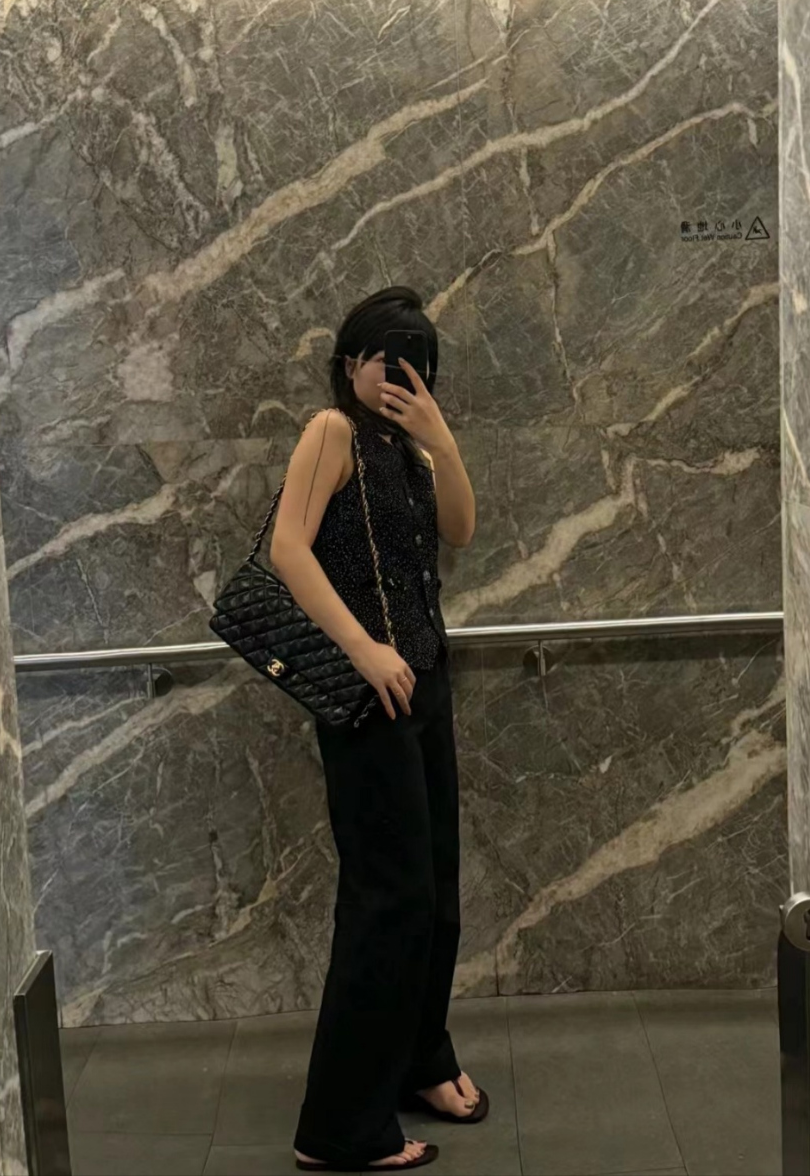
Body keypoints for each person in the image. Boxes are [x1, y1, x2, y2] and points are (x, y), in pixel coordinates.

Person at [269, 286, 483, 1172]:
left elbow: (461, 531)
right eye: (385, 361)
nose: (399, 378)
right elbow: (288, 548)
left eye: (416, 365)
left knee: (435, 889)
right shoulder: (331, 432)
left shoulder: (410, 449)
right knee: (387, 899)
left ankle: (420, 1061)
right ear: (349, 361)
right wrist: (362, 648)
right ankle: (338, 1130)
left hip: (423, 681)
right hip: (366, 695)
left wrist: (441, 436)